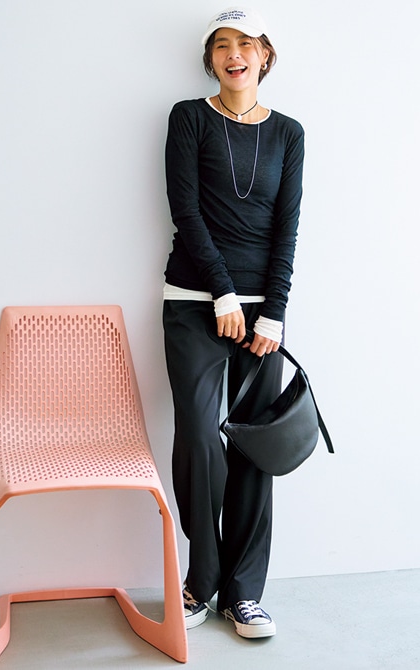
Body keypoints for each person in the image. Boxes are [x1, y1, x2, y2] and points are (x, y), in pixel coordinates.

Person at [161, 7, 304, 640]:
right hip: (193, 300)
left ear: (265, 55)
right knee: (199, 437)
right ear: (210, 58)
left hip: (263, 312)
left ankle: (244, 595)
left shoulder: (290, 133)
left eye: (247, 43)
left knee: (254, 445)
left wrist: (274, 310)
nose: (234, 54)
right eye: (222, 44)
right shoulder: (188, 118)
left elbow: (287, 227)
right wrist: (221, 293)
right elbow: (186, 211)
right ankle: (202, 578)